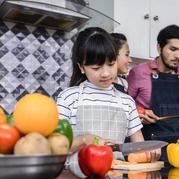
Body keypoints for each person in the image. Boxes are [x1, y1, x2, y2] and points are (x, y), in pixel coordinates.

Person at [56, 27, 159, 160]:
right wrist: (84, 140)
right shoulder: (68, 98)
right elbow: (57, 149)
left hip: (116, 178)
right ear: (81, 67)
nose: (105, 73)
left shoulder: (127, 102)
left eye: (111, 64)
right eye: (96, 68)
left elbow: (139, 148)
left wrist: (149, 154)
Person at [127, 24, 179, 144]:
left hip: (177, 145)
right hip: (148, 145)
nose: (178, 56)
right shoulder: (138, 72)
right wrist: (140, 113)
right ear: (159, 48)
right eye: (173, 49)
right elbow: (125, 106)